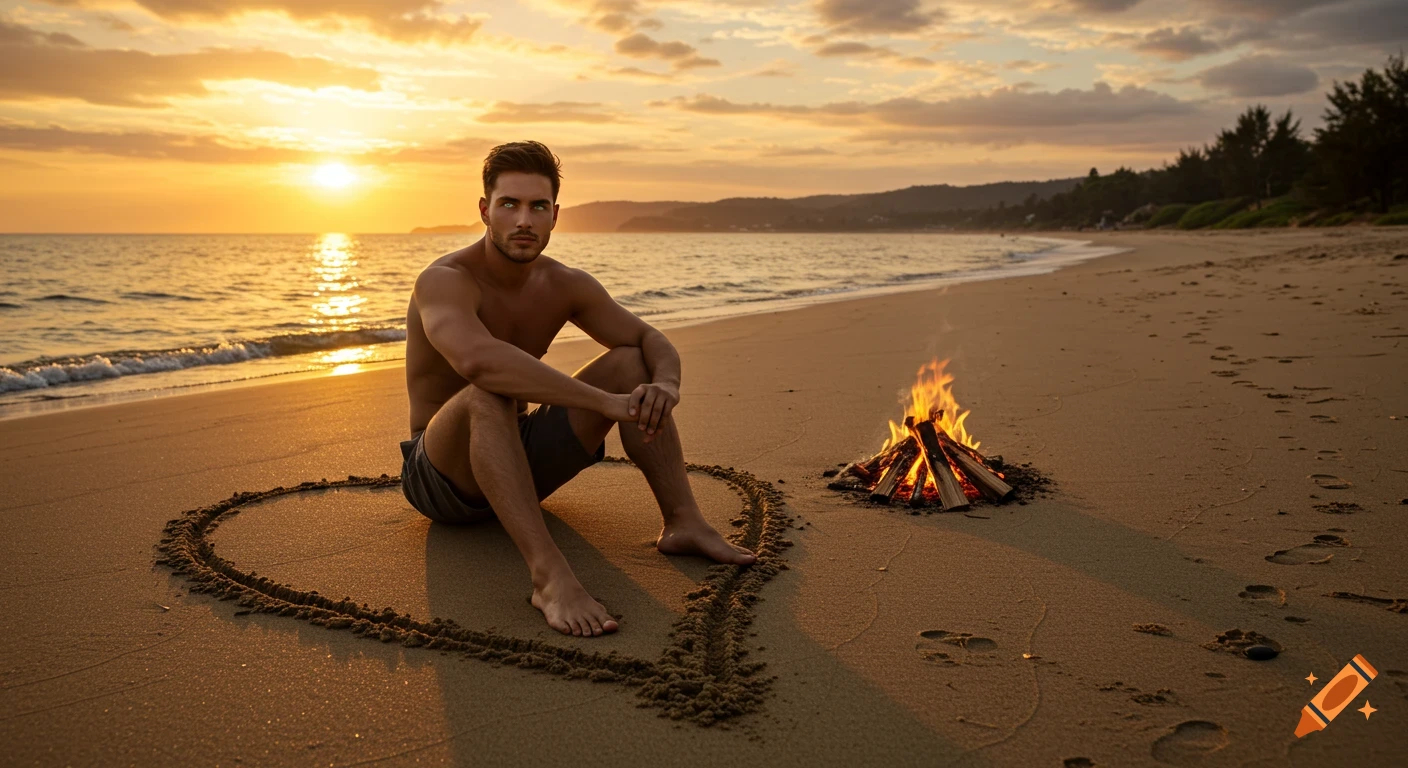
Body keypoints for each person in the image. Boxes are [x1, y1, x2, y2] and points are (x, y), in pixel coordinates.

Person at [400, 141, 755, 638]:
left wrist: (665, 386)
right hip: (440, 477)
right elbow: (478, 361)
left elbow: (650, 341)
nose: (524, 219)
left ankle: (683, 522)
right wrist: (603, 403)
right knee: (487, 390)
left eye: (537, 206)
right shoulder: (444, 281)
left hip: (515, 467)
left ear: (555, 216)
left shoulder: (564, 283)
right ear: (485, 210)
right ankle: (548, 577)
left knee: (633, 363)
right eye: (509, 204)